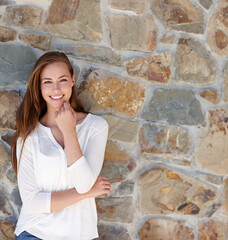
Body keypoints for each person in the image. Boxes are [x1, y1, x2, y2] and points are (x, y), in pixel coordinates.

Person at [10, 51, 111, 240]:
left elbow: (84, 183)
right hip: (34, 233)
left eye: (62, 80)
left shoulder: (95, 127)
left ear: (73, 80)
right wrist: (85, 194)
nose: (56, 89)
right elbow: (32, 203)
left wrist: (69, 131)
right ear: (39, 87)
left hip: (78, 235)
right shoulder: (29, 136)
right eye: (47, 82)